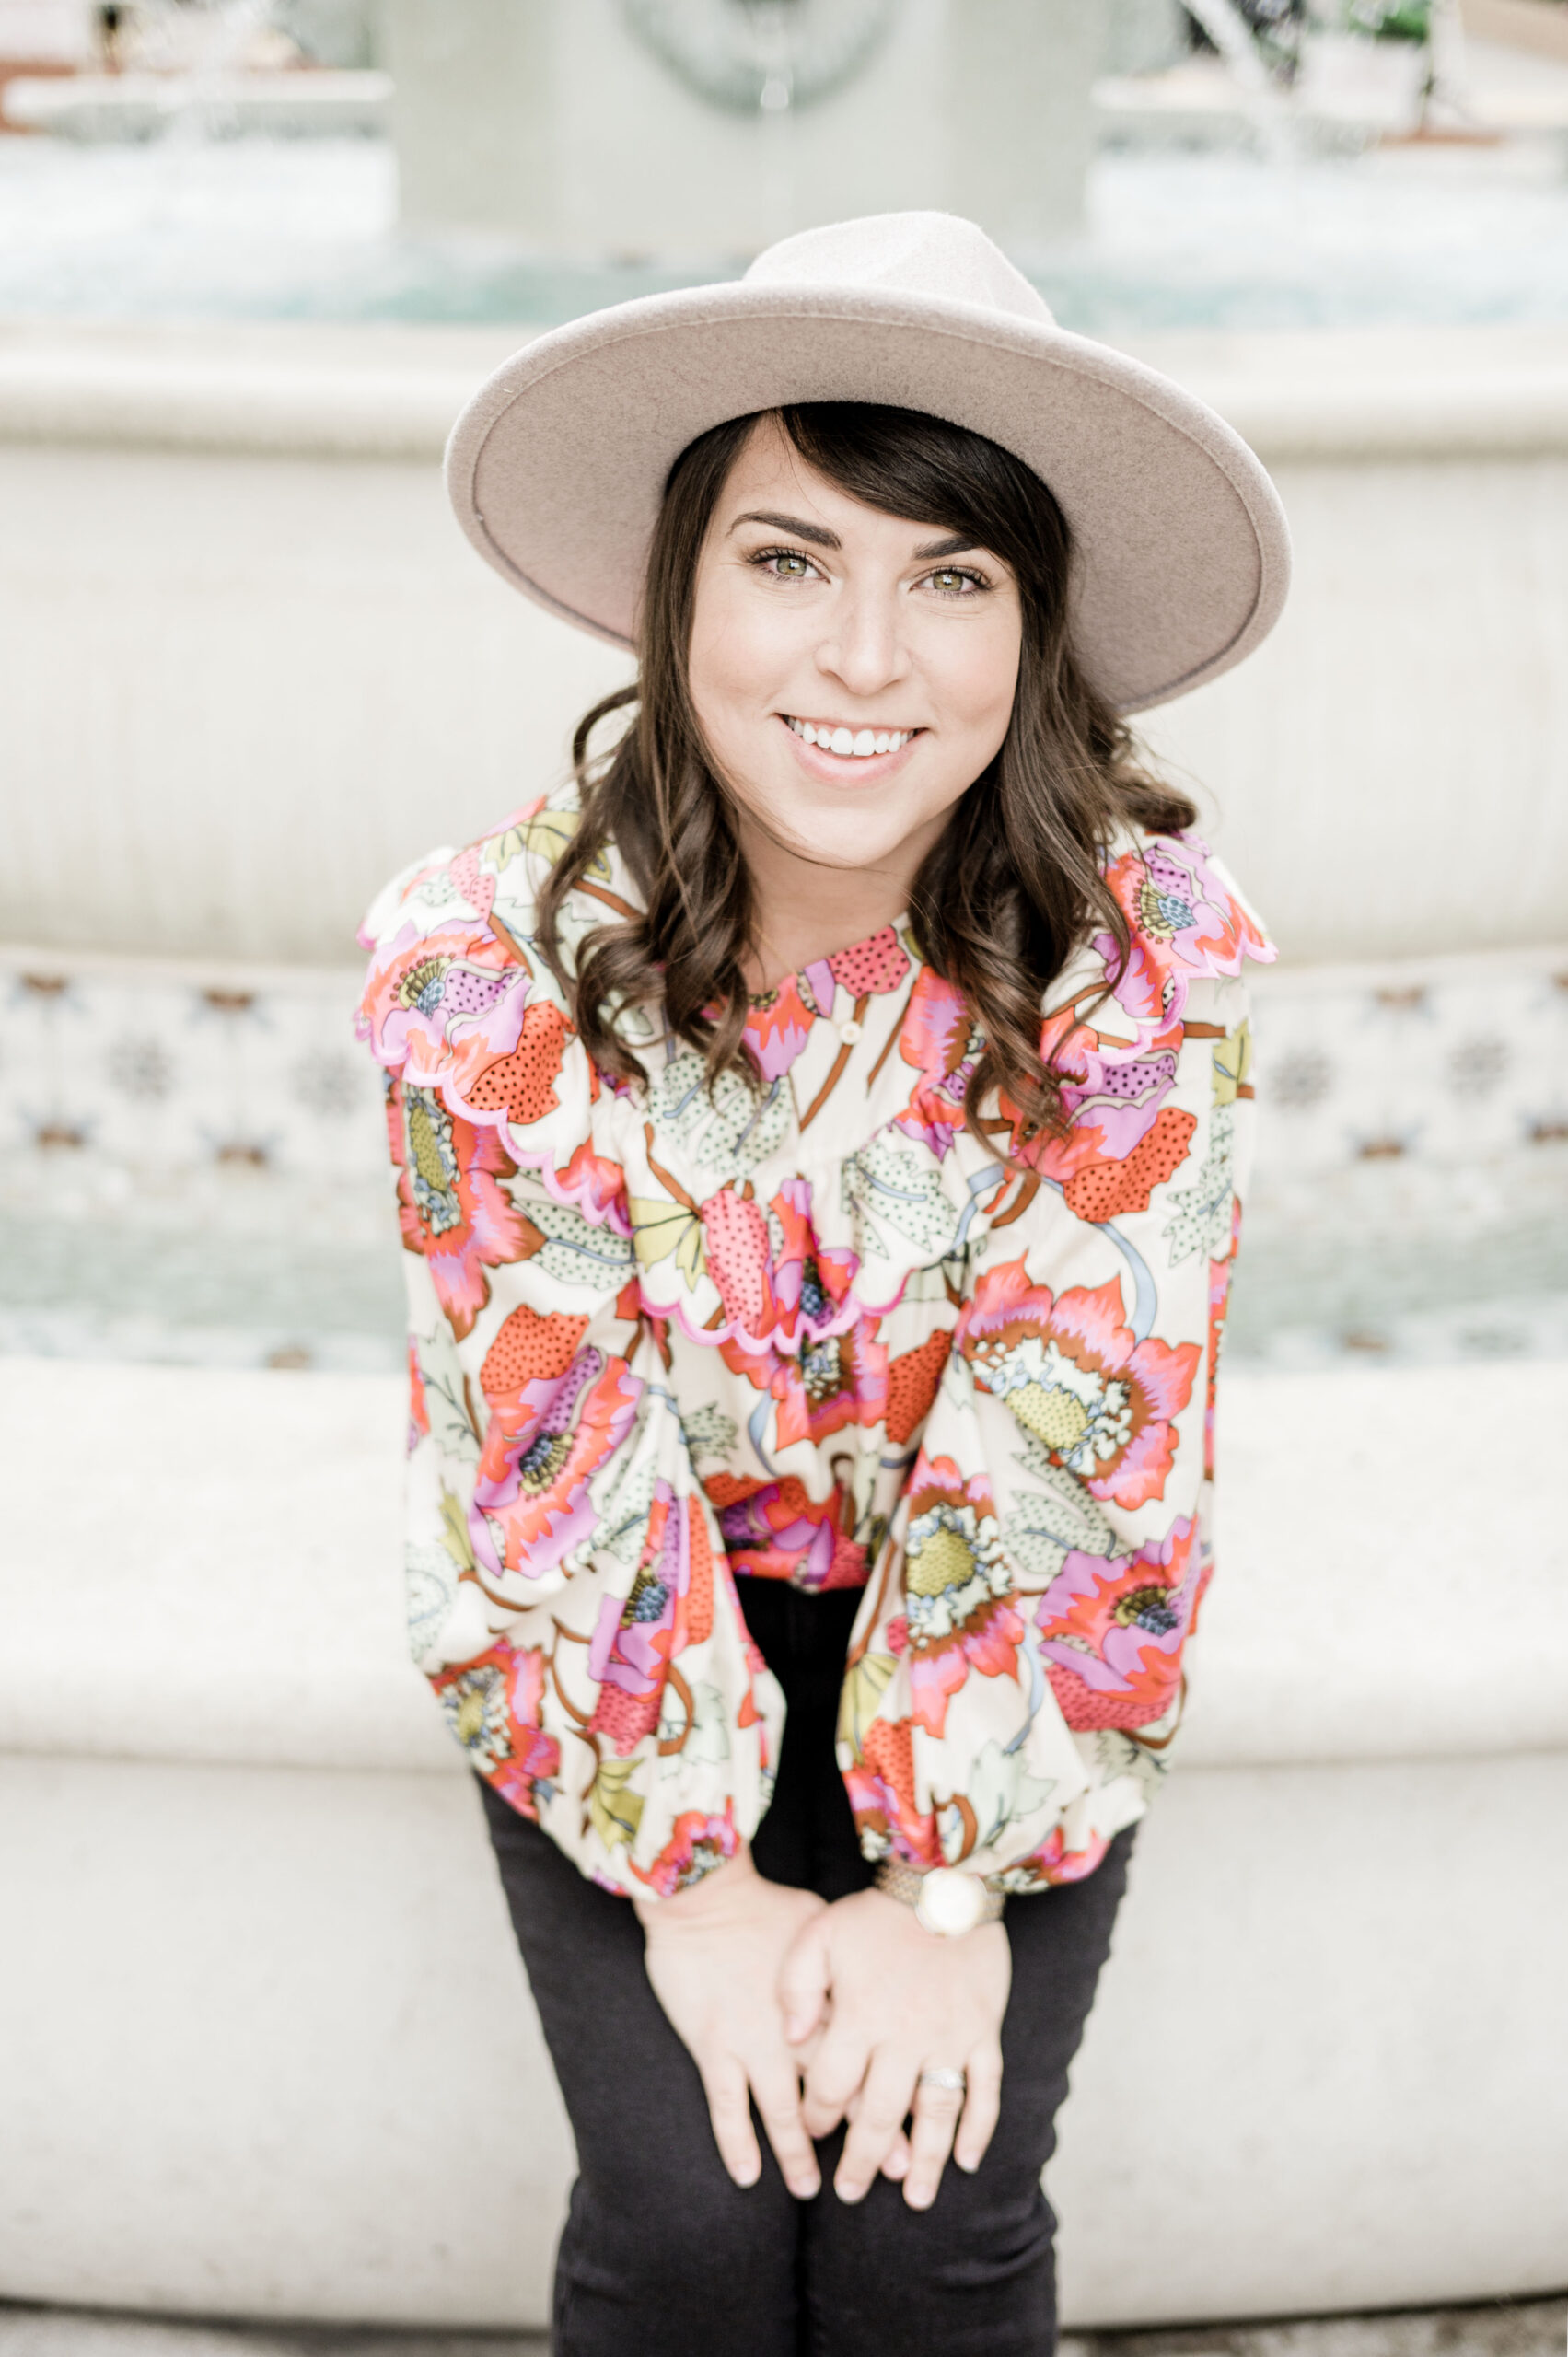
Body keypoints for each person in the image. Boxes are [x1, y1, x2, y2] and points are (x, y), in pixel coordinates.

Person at [356, 213, 1289, 2357]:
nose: (865, 658)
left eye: (949, 578)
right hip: (633, 1614)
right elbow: (547, 1454)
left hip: (996, 1625)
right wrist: (695, 1884)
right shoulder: (490, 964)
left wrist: (945, 1895)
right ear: (680, 585)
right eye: (792, 559)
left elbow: (1091, 1420)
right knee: (690, 2206)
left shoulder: (1138, 962)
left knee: (923, 2210)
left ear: (1035, 631)